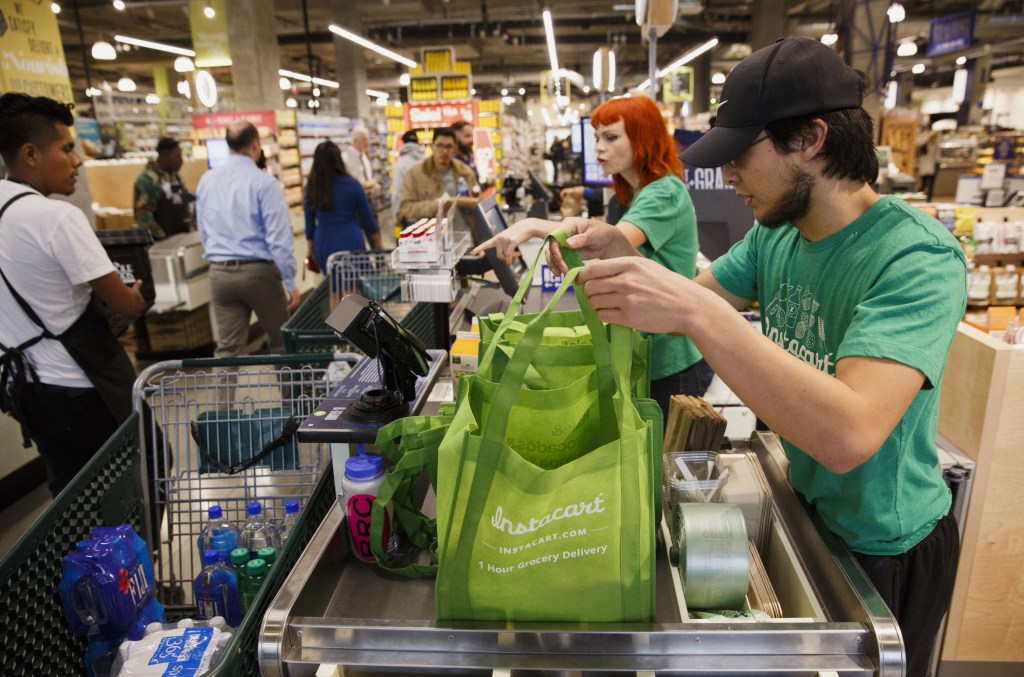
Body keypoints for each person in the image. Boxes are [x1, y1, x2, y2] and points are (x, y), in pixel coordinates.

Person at [547, 38, 965, 677]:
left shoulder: (916, 259)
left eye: (741, 154)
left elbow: (848, 433)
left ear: (811, 139)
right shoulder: (778, 235)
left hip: (888, 547)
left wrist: (700, 314)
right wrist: (613, 259)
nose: (730, 175)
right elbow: (687, 296)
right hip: (809, 510)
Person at [473, 95, 713, 413]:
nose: (598, 147)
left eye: (611, 137)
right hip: (651, 347)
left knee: (663, 460)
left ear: (644, 139)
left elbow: (609, 240)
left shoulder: (663, 192)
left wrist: (531, 226)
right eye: (597, 137)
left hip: (671, 361)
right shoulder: (641, 190)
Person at [0, 92, 148, 496]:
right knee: (128, 488)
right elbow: (122, 302)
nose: (78, 160)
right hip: (86, 390)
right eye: (67, 148)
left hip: (28, 390)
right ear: (30, 154)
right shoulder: (57, 217)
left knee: (71, 500)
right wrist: (135, 296)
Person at [196, 121, 300, 358]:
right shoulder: (264, 183)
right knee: (281, 345)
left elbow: (204, 229)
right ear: (255, 145)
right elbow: (278, 239)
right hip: (259, 274)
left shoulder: (207, 181)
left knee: (227, 351)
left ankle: (223, 396)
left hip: (220, 275)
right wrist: (290, 282)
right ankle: (289, 396)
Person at [304, 141, 382, 272]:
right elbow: (368, 221)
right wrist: (379, 244)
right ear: (339, 159)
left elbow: (309, 226)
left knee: (333, 283)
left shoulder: (312, 189)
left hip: (324, 242)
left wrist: (310, 251)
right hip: (351, 239)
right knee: (355, 284)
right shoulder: (353, 185)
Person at [398, 126, 479, 226]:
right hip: (431, 236)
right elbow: (405, 208)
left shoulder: (465, 172)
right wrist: (437, 205)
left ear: (455, 148)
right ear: (432, 147)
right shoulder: (415, 173)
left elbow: (479, 202)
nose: (444, 151)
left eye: (449, 146)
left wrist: (459, 202)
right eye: (440, 145)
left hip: (464, 234)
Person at [133, 136, 194, 240]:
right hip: (160, 243)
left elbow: (183, 204)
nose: (181, 161)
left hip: (181, 237)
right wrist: (161, 236)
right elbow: (143, 215)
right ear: (165, 155)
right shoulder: (147, 180)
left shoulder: (176, 176)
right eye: (177, 156)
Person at [391, 129, 426, 229]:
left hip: (410, 215)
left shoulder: (401, 164)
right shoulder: (428, 159)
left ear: (403, 143)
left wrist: (396, 214)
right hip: (428, 214)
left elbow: (397, 191)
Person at [342, 125, 379, 194]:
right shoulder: (345, 158)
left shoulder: (363, 155)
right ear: (355, 140)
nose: (367, 142)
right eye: (364, 139)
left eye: (368, 139)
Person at [916, 129, 938, 201]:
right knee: (924, 185)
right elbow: (917, 142)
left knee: (928, 185)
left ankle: (928, 199)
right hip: (927, 167)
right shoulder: (924, 143)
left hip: (930, 167)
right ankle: (921, 198)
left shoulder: (935, 145)